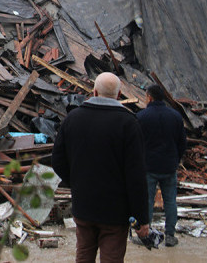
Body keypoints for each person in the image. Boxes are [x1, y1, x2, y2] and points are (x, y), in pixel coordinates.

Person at [52, 72, 149, 262]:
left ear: (94, 91)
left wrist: (77, 183)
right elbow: (136, 176)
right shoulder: (128, 123)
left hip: (84, 206)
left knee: (84, 255)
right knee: (112, 257)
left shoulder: (73, 119)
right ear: (119, 94)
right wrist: (141, 218)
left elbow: (58, 161)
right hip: (115, 212)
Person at [137, 84, 186, 247]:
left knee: (147, 201)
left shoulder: (141, 117)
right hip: (169, 166)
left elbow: (136, 144)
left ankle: (147, 233)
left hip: (149, 166)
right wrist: (176, 159)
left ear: (149, 97)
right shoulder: (175, 116)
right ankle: (170, 235)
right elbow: (182, 143)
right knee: (170, 201)